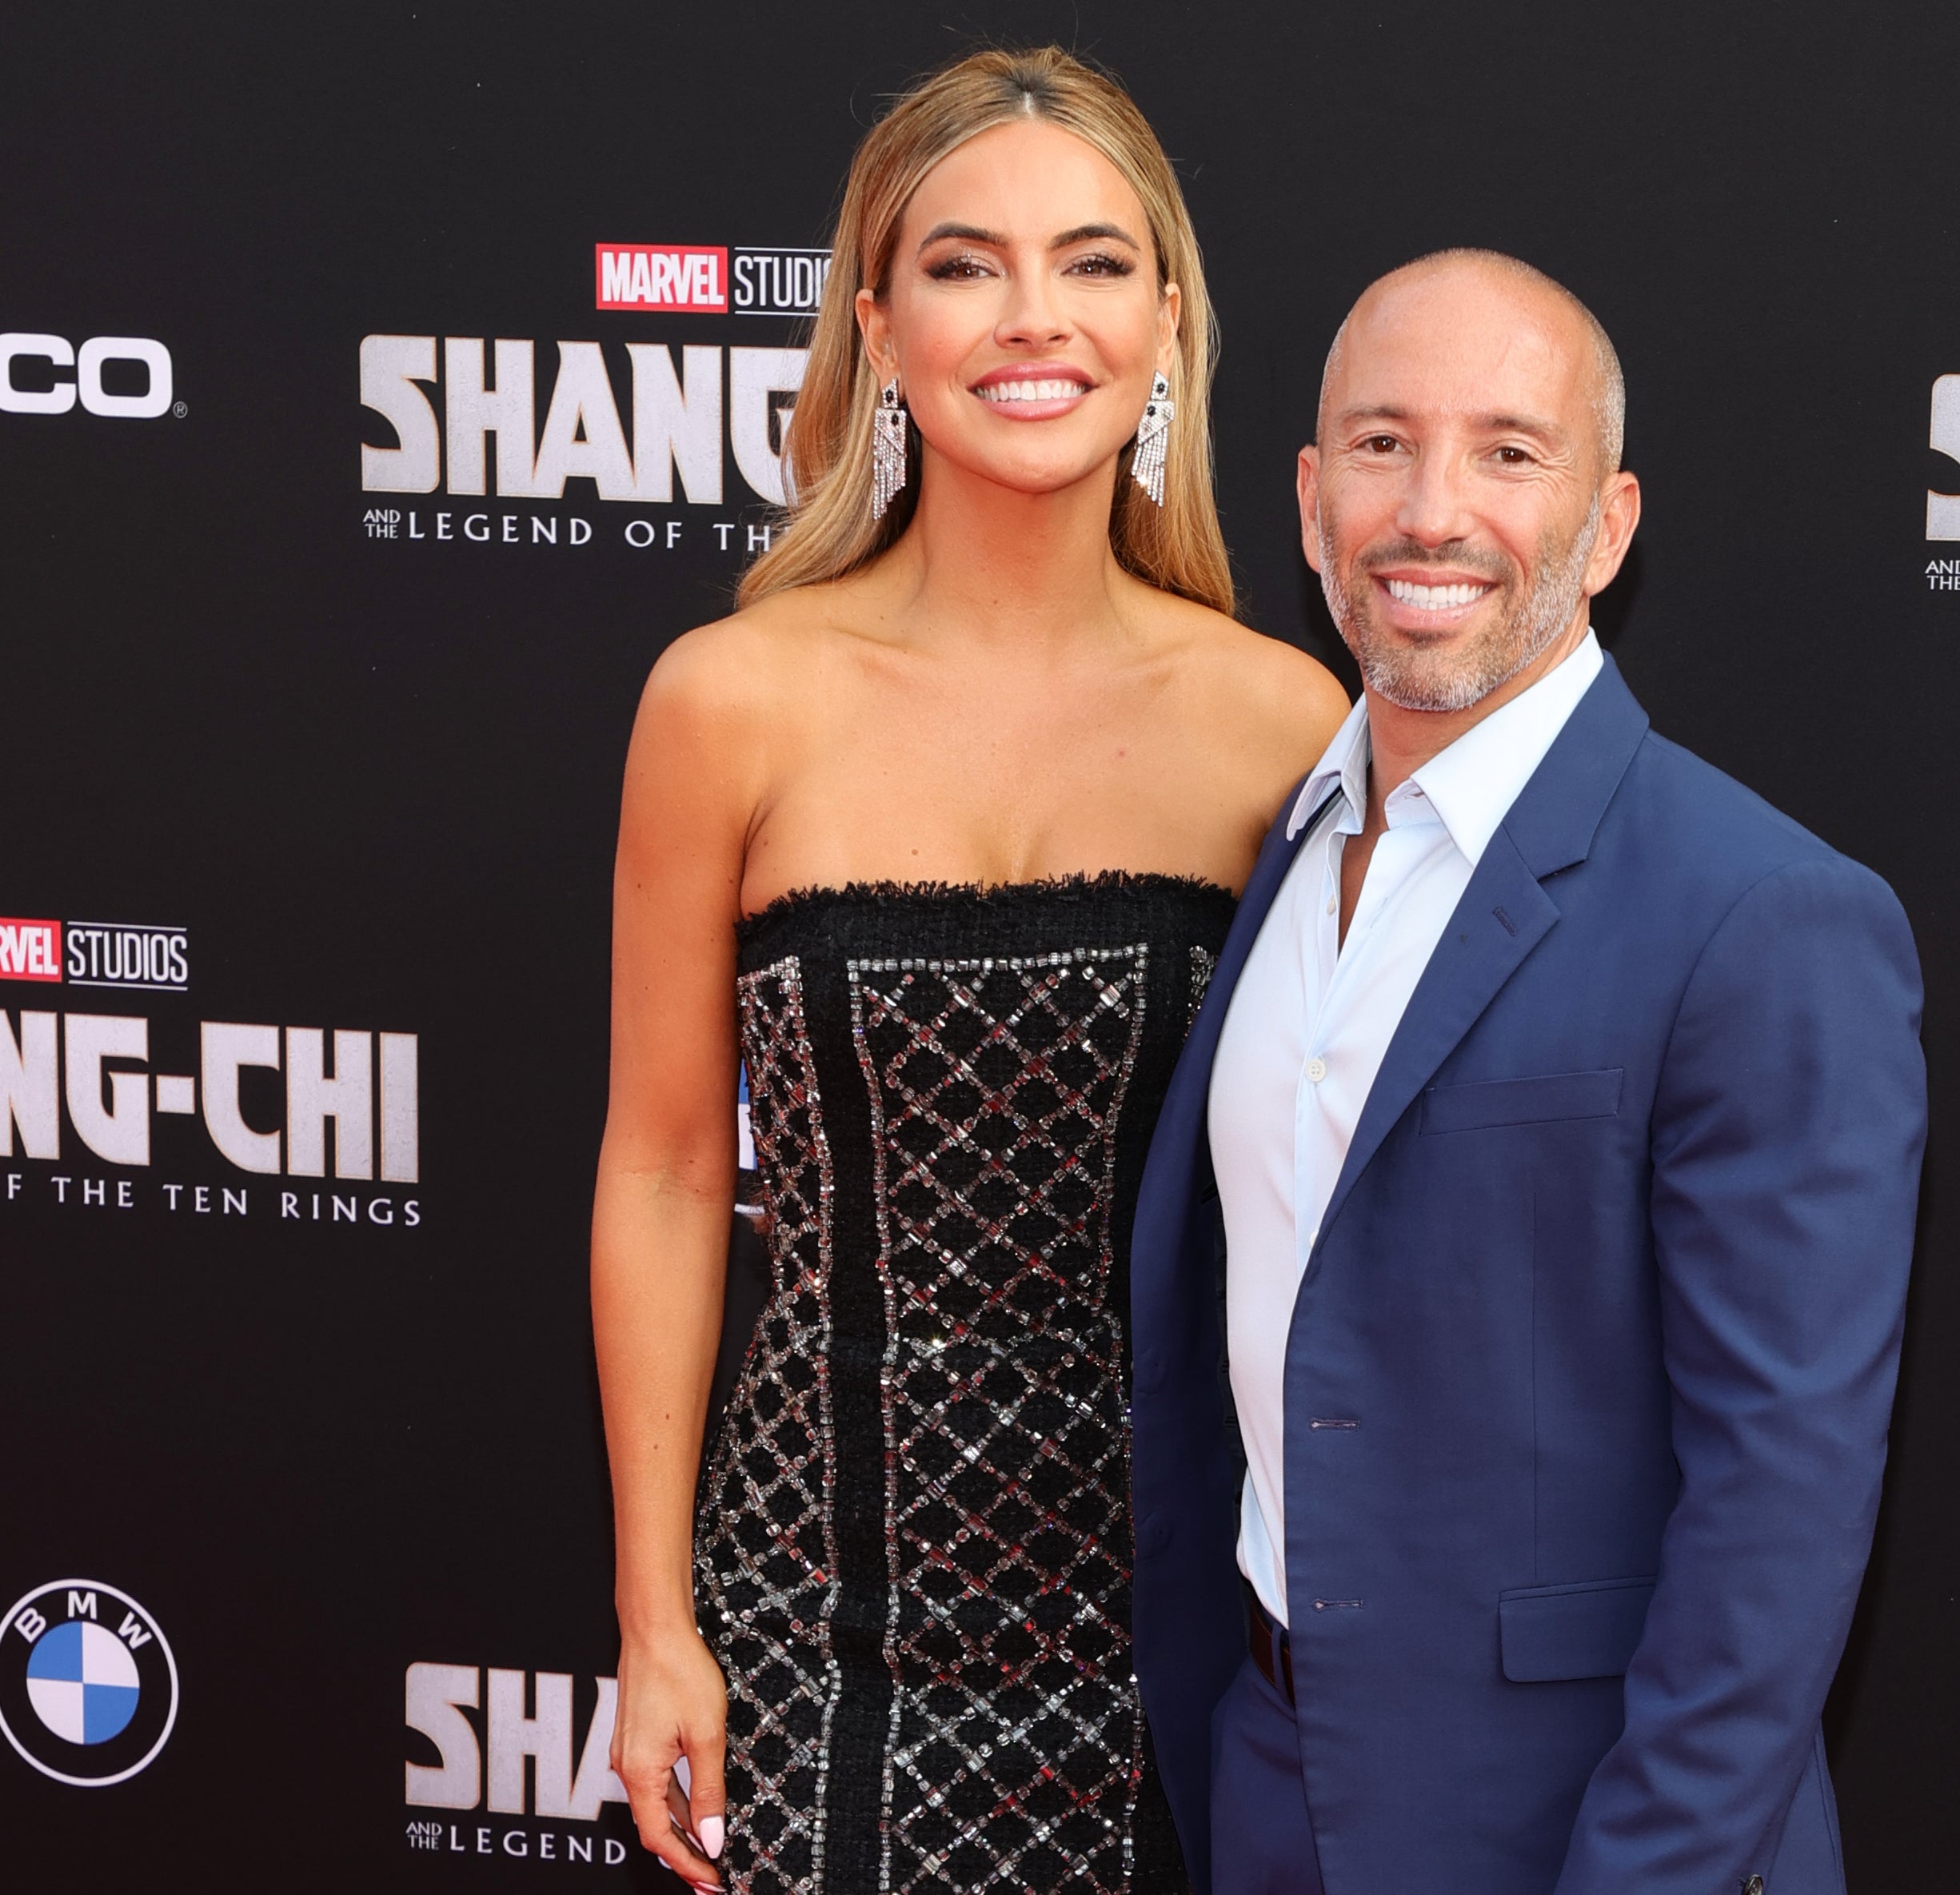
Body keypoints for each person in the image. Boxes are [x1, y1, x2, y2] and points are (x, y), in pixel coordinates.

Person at [589, 47, 1347, 1895]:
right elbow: (673, 1170)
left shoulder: (1283, 724)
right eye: (963, 262)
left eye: (1095, 263)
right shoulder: (729, 699)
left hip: (1172, 1636)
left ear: (1167, 323)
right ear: (877, 324)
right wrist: (654, 1618)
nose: (1036, 317)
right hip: (805, 1618)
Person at [1128, 250, 1927, 1895]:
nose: (1432, 511)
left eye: (1508, 451)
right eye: (1379, 444)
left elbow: (1777, 1518)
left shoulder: (1766, 917)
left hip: (1581, 1827)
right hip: (1269, 1780)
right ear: (1305, 498)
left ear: (1610, 522)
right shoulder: (1285, 844)